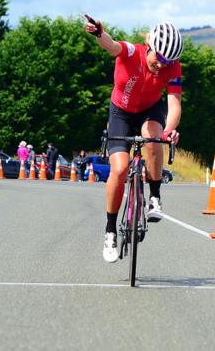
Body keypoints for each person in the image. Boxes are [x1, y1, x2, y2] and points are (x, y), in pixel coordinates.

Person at [85, 15, 182, 262]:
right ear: (149, 47)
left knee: (153, 136)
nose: (162, 65)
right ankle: (110, 231)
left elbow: (174, 103)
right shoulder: (132, 52)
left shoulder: (172, 66)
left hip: (150, 110)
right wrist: (99, 34)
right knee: (120, 169)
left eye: (168, 61)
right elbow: (112, 45)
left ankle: (155, 197)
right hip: (121, 112)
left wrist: (169, 130)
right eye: (158, 58)